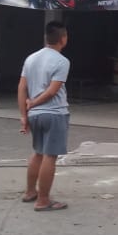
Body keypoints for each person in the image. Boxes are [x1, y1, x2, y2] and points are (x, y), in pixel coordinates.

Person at [19, 21, 71, 212]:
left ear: (45, 38)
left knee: (38, 152)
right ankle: (43, 200)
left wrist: (24, 114)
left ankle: (30, 192)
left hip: (35, 116)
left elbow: (21, 88)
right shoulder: (61, 61)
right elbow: (52, 91)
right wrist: (34, 103)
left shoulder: (31, 58)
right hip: (54, 114)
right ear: (63, 39)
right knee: (50, 155)